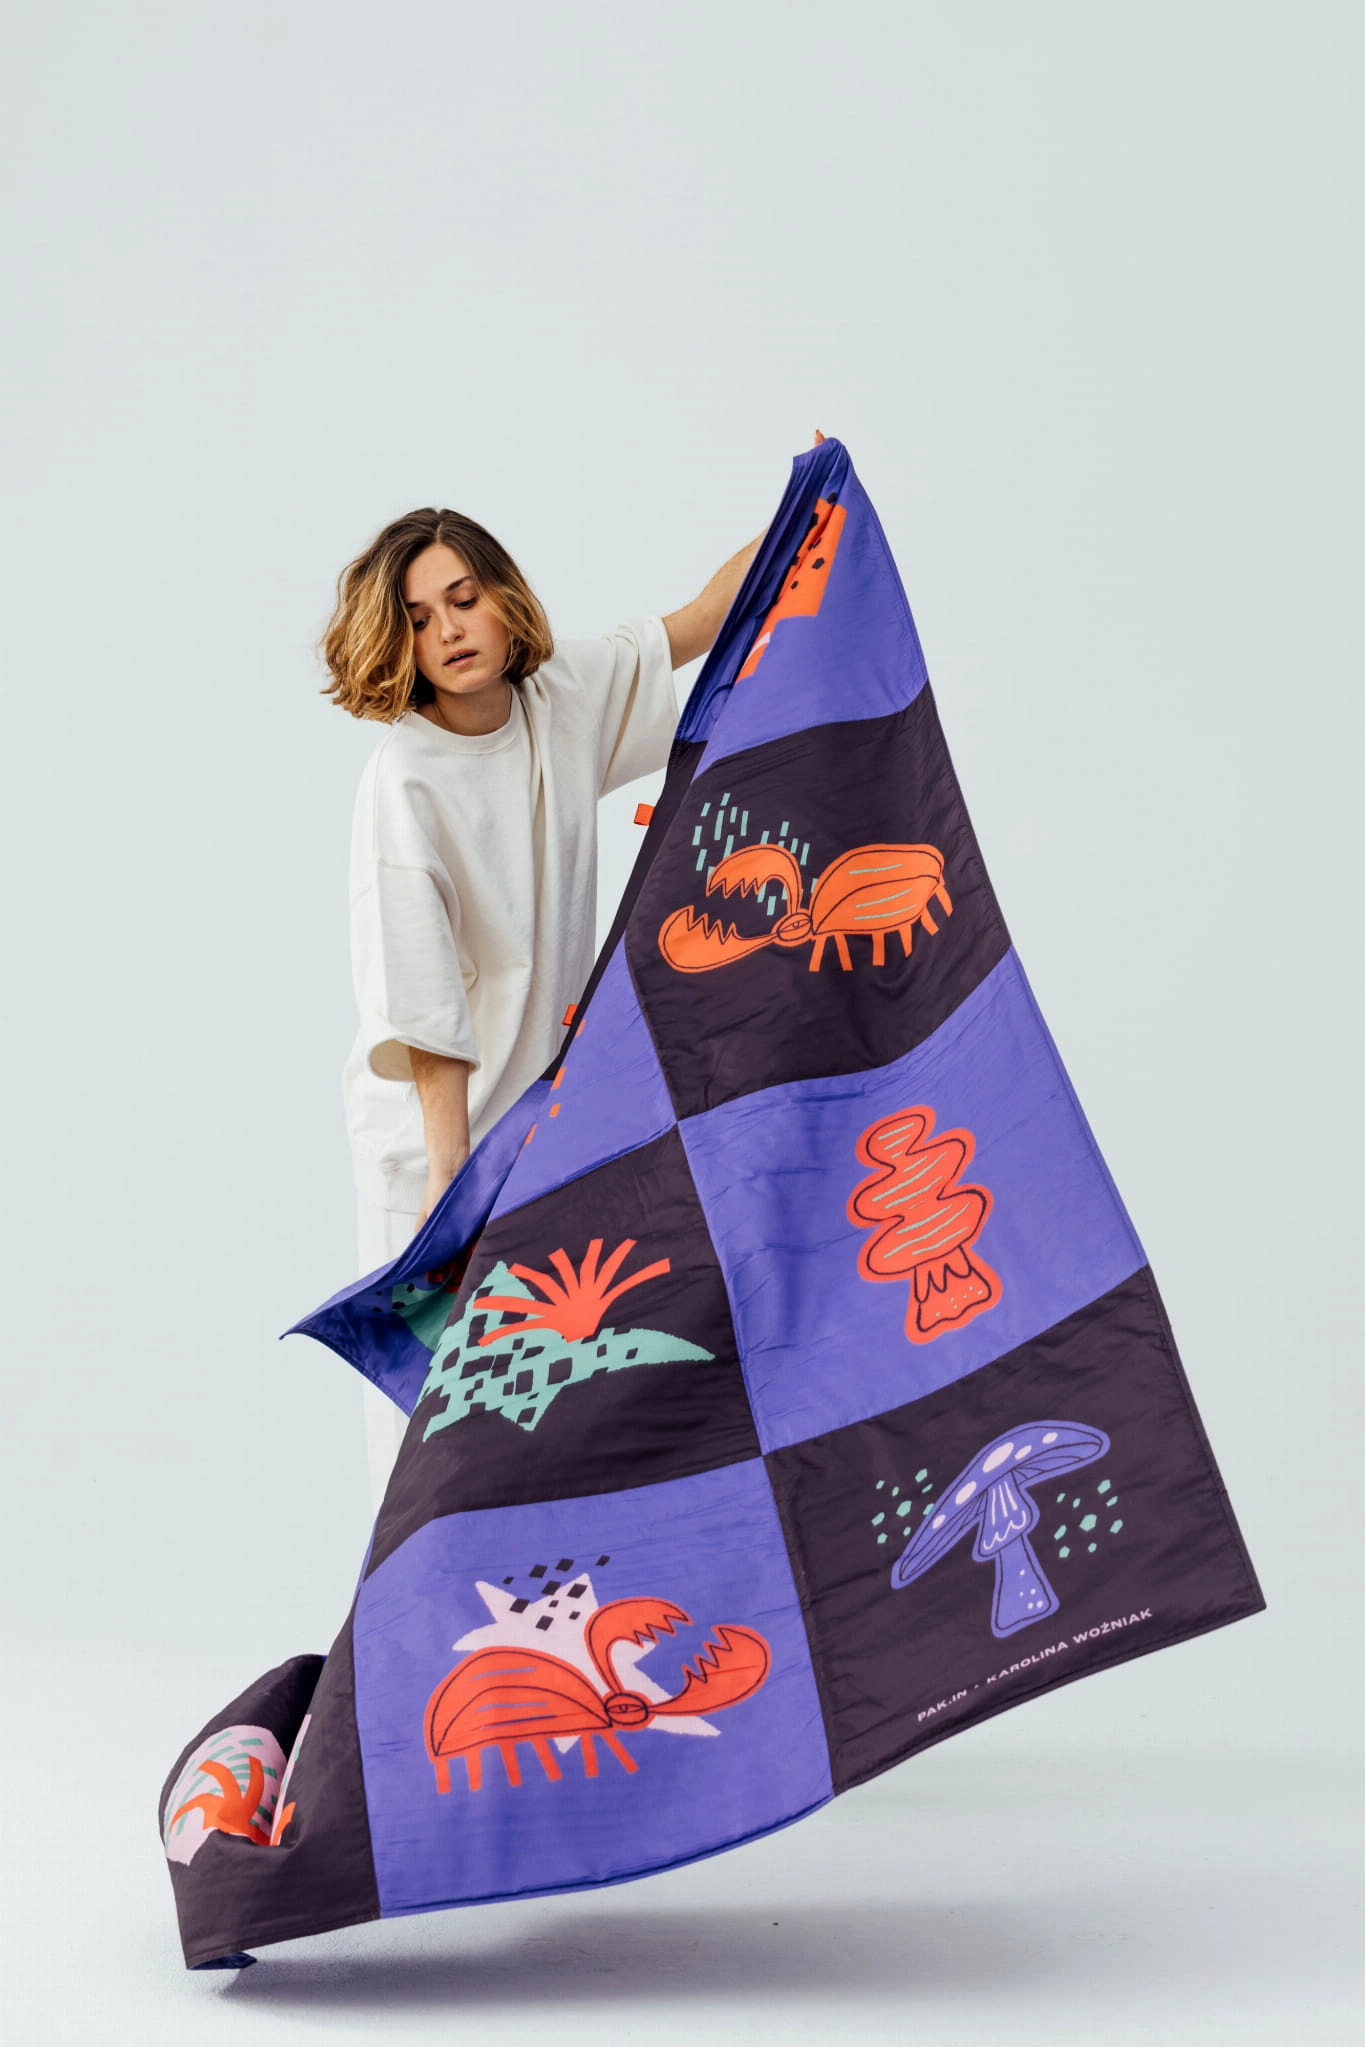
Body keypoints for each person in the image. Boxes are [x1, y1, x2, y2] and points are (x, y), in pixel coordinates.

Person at [321, 504, 763, 1501]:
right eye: (420, 619)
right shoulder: (405, 781)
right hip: (435, 1157)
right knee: (433, 1436)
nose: (449, 631)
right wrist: (448, 1196)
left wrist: (813, 504)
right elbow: (420, 994)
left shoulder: (560, 699)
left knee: (546, 1408)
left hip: (541, 1135)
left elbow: (698, 622)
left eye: (463, 599)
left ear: (503, 597)